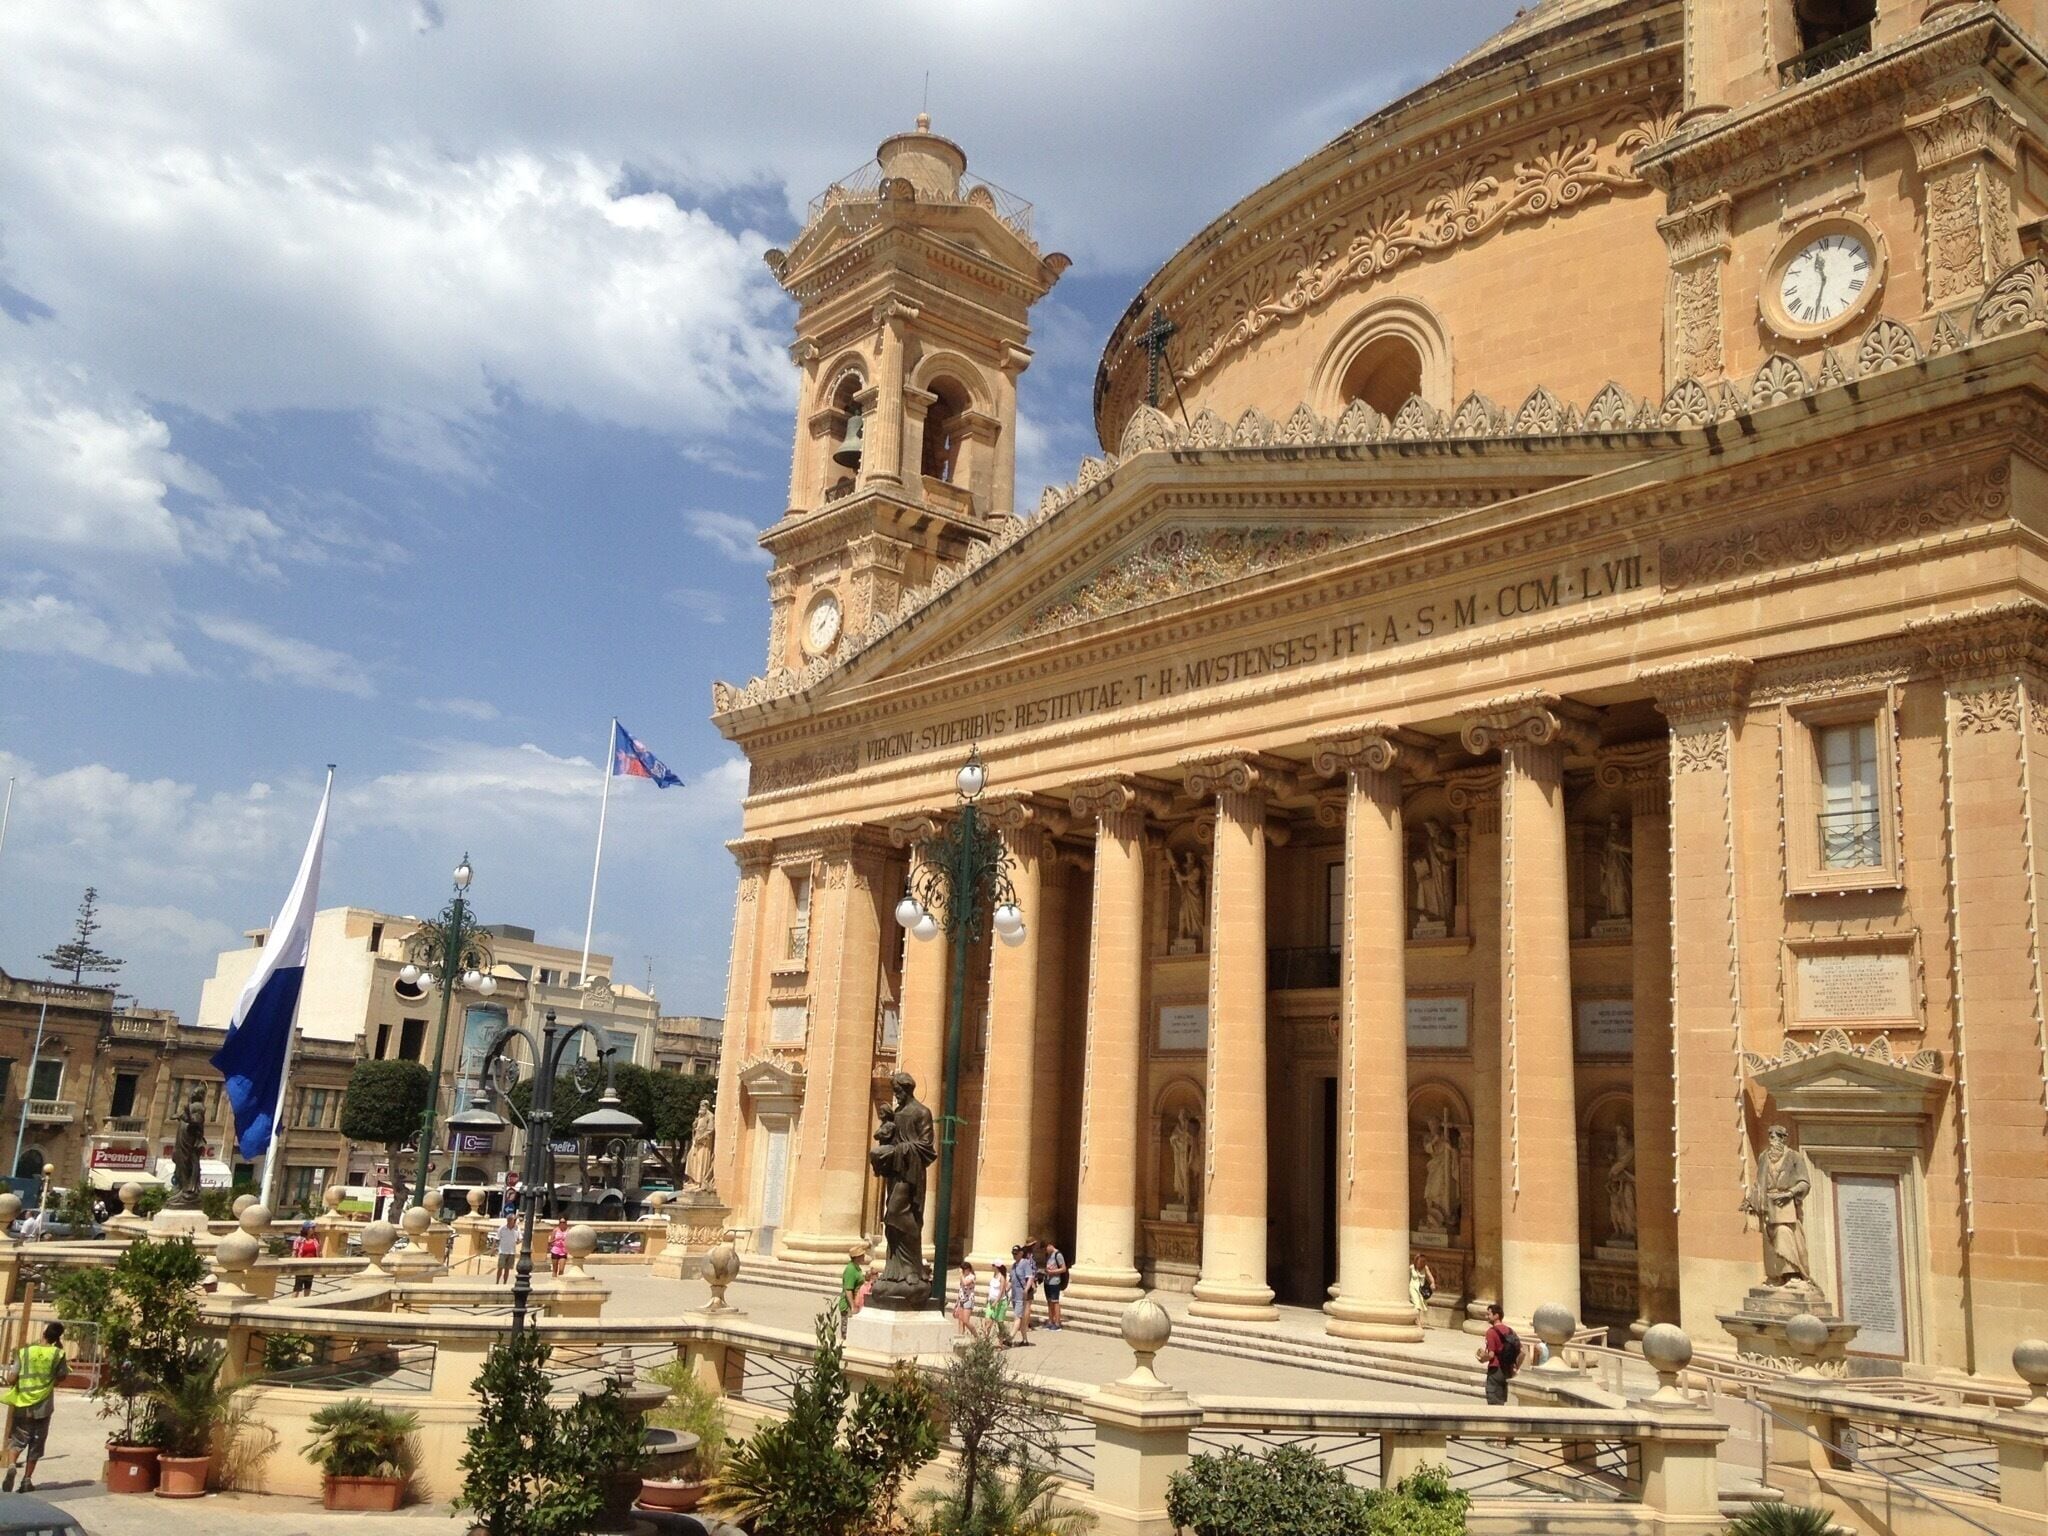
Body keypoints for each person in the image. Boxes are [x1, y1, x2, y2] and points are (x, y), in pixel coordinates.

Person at [0, 1323, 66, 1492]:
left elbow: (12, 1378)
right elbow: (62, 1376)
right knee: (37, 1443)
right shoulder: (58, 1353)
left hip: (23, 1405)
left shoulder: (25, 1352)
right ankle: (27, 1480)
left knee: (18, 1439)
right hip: (44, 1407)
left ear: (43, 1333)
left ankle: (12, 1465)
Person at [1477, 1302, 1521, 1405]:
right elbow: (1522, 1352)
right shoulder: (1510, 1331)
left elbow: (1491, 1355)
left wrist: (1482, 1358)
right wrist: (1516, 1366)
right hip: (1507, 1370)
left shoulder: (1491, 1332)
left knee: (1494, 1403)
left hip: (1495, 1370)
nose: (1486, 1317)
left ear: (1496, 1315)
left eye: (1488, 1314)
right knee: (1501, 1402)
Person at [1009, 1242, 1037, 1345]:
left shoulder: (1025, 1263)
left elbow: (1030, 1277)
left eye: (1016, 1253)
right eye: (1013, 1253)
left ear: (1021, 1253)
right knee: (1021, 1317)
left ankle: (1009, 1338)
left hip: (1022, 1295)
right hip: (1015, 1294)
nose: (1014, 1255)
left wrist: (1026, 1289)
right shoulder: (1014, 1266)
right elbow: (1011, 1280)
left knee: (1018, 1317)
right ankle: (1025, 1340)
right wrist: (1005, 1290)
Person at [1039, 1240, 1067, 1330]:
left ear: (1050, 1245)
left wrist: (1052, 1272)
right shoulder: (1048, 1255)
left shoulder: (1058, 1255)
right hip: (1047, 1281)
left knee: (1055, 1301)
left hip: (1055, 1281)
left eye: (1045, 1249)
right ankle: (1050, 1321)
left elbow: (1063, 1269)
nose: (1045, 1251)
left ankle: (1057, 1322)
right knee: (1049, 1301)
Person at [984, 1262, 1011, 1342]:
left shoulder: (1002, 1277)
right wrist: (988, 1297)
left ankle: (1001, 1341)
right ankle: (986, 1340)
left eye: (993, 1265)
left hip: (1000, 1302)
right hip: (991, 1301)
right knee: (987, 1320)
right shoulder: (994, 1275)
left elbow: (1001, 1291)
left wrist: (996, 1301)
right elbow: (991, 1288)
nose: (992, 1266)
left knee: (999, 1322)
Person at [292, 1222, 319, 1296]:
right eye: (312, 1228)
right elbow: (294, 1252)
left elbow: (318, 1252)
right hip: (301, 1266)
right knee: (297, 1287)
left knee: (308, 1287)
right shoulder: (299, 1240)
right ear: (307, 1229)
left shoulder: (315, 1239)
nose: (314, 1229)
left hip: (311, 1266)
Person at [494, 1213, 521, 1283]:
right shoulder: (502, 1228)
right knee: (500, 1267)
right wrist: (493, 1249)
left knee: (507, 1269)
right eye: (514, 1220)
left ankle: (505, 1282)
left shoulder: (517, 1228)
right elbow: (496, 1238)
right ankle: (497, 1282)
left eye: (515, 1220)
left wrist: (518, 1241)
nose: (515, 1221)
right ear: (509, 1220)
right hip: (503, 1251)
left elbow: (520, 1238)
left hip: (511, 1252)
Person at [953, 1261, 979, 1334]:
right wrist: (957, 1303)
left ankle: (975, 1335)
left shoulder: (972, 1277)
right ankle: (960, 1336)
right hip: (961, 1300)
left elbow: (965, 1283)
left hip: (968, 1300)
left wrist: (961, 1274)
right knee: (960, 1321)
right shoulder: (963, 1277)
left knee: (966, 1321)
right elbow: (961, 1289)